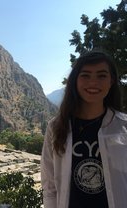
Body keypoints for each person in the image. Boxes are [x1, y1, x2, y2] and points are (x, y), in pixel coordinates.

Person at [41, 50, 127, 208]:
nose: (93, 82)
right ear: (75, 81)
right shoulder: (56, 127)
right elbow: (49, 185)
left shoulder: (124, 126)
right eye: (85, 75)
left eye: (102, 75)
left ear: (112, 81)